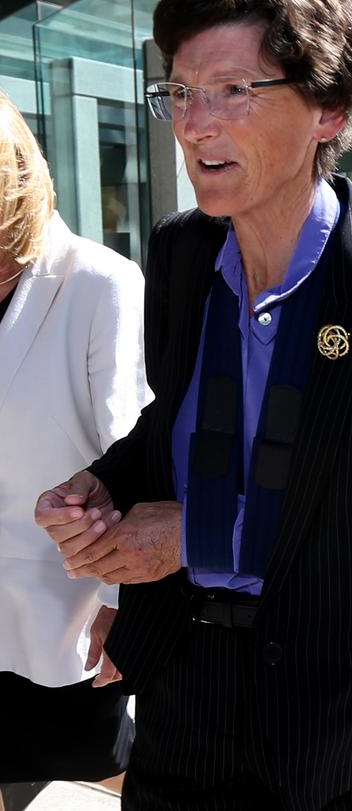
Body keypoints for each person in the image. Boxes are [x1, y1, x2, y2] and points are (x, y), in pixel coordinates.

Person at [34, 0, 352, 809]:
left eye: (233, 91)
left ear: (328, 108)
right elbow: (171, 427)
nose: (193, 123)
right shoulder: (182, 255)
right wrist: (98, 488)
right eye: (180, 92)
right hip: (182, 718)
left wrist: (196, 537)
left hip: (334, 750)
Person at [0, 90, 149, 787]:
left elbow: (132, 453)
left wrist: (129, 608)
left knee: (118, 765)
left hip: (65, 609)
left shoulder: (99, 283)